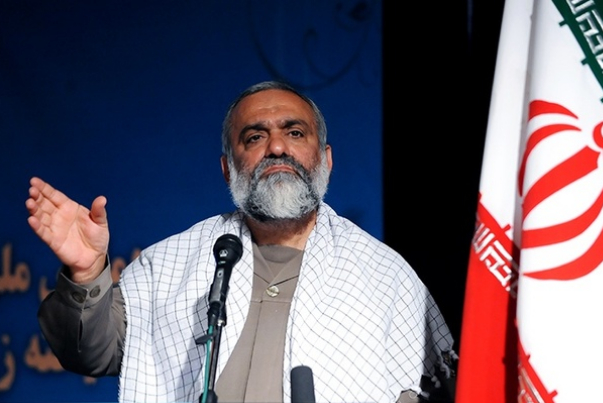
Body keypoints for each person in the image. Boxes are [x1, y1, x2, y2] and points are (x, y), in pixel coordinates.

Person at [26, 80, 458, 403]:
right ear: (227, 168)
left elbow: (440, 385)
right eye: (254, 137)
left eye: (294, 133)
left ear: (325, 160)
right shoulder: (172, 263)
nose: (276, 147)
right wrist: (86, 272)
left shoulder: (383, 275)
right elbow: (91, 353)